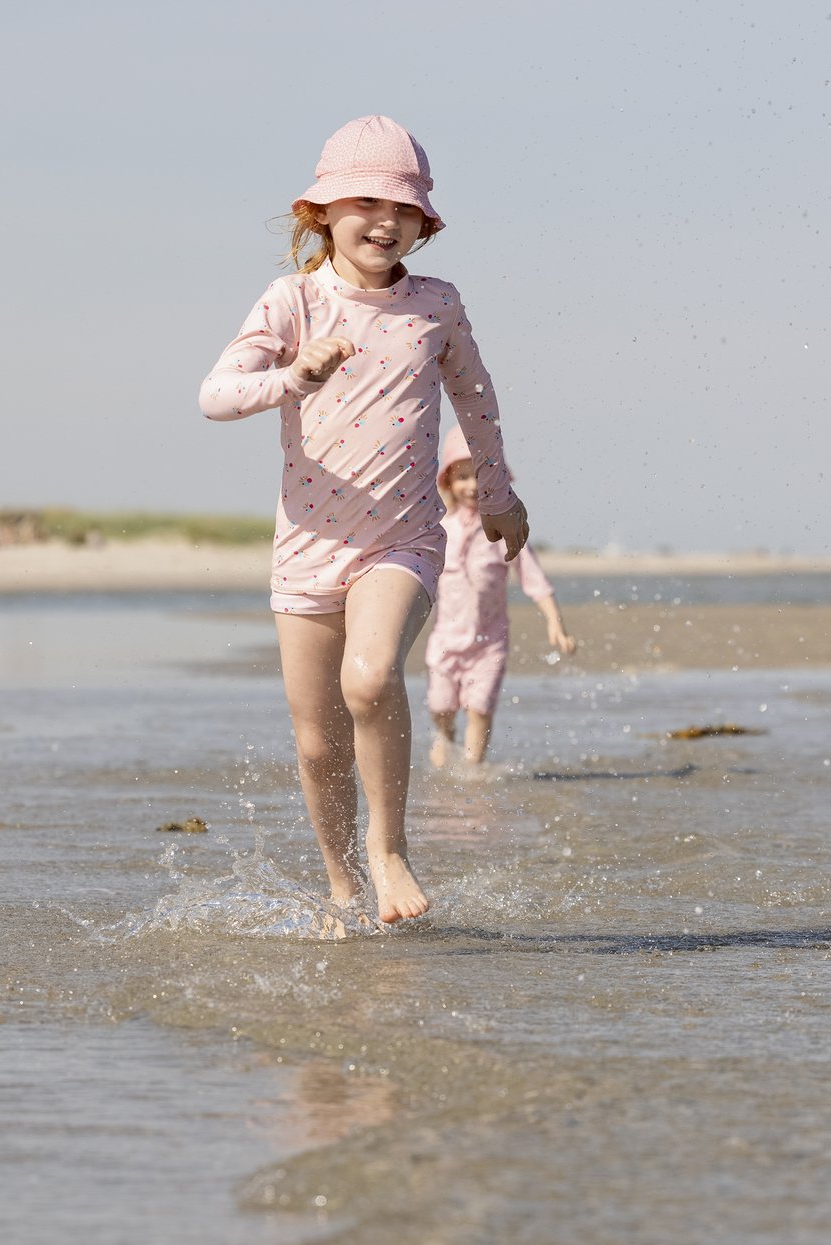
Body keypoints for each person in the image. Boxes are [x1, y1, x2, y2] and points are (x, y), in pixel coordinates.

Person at [198, 115, 531, 924]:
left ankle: (389, 850)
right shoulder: (295, 302)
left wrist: (497, 493)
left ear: (424, 222)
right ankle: (344, 888)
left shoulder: (436, 306)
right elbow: (214, 395)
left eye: (405, 207)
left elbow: (476, 400)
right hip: (308, 546)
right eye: (365, 202)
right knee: (318, 743)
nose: (385, 220)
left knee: (371, 675)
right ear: (320, 213)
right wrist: (292, 377)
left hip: (404, 539)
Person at [425, 428, 576, 770]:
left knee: (479, 709)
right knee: (441, 705)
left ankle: (472, 771)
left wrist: (555, 623)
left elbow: (534, 579)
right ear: (448, 481)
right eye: (462, 477)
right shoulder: (440, 528)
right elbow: (419, 580)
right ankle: (445, 735)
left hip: (489, 643)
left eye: (480, 475)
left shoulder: (504, 530)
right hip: (447, 640)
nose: (472, 486)